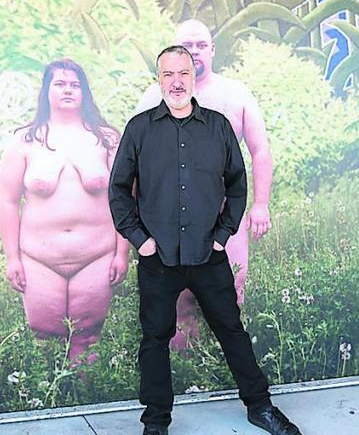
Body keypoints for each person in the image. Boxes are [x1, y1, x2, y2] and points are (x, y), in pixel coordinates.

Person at [110, 46, 300, 435]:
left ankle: (260, 407)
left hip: (207, 254)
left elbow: (237, 184)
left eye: (183, 73)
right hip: (157, 257)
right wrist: (140, 241)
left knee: (231, 330)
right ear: (159, 79)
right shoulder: (139, 128)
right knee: (155, 339)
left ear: (193, 78)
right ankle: (156, 422)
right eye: (168, 74)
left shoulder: (217, 127)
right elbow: (117, 190)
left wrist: (223, 235)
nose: (176, 82)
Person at [135, 19, 273, 350]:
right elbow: (133, 160)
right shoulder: (154, 95)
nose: (194, 52)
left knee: (232, 289)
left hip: (225, 217)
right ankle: (187, 369)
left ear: (212, 50)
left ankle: (219, 367)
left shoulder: (235, 93)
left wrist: (260, 204)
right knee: (177, 299)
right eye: (187, 46)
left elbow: (260, 150)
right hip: (168, 219)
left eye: (201, 45)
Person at [0, 58, 128, 363]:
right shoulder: (23, 142)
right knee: (44, 335)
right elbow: (7, 203)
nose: (68, 90)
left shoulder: (107, 139)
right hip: (39, 259)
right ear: (46, 91)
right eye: (59, 84)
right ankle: (50, 405)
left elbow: (125, 200)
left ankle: (86, 400)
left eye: (74, 85)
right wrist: (12, 258)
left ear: (84, 92)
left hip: (96, 256)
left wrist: (122, 254)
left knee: (88, 336)